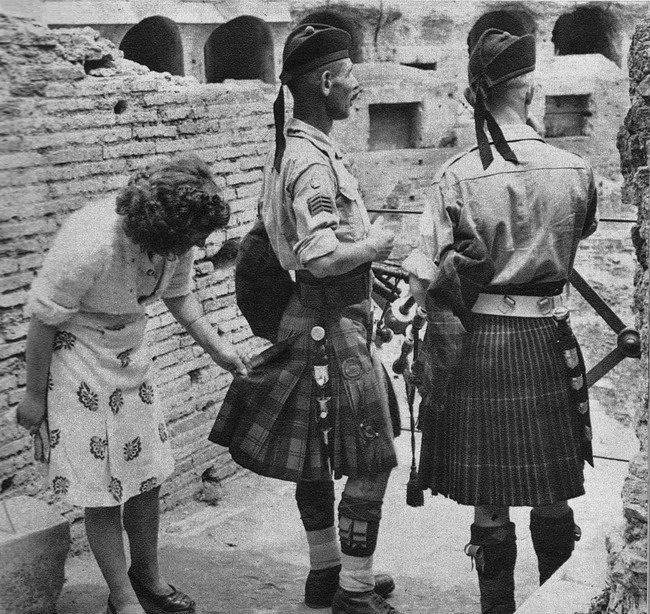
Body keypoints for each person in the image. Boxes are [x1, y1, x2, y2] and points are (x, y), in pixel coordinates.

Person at [210, 23, 401, 614]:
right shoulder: (311, 162)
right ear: (324, 80)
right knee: (373, 459)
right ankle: (353, 588)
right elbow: (319, 255)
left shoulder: (294, 150)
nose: (356, 88)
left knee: (316, 459)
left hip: (314, 321)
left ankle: (326, 571)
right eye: (349, 75)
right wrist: (376, 246)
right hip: (332, 324)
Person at [404, 29, 597, 614]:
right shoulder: (575, 169)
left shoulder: (457, 175)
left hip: (481, 343)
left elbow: (421, 277)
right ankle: (556, 603)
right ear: (529, 90)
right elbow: (581, 232)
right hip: (546, 338)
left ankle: (498, 609)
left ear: (478, 95)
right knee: (553, 492)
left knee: (489, 500)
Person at [17, 156, 247, 614]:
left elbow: (181, 297)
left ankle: (148, 576)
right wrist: (33, 397)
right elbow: (43, 321)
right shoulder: (91, 242)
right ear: (161, 232)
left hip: (130, 357)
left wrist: (218, 349)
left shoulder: (174, 245)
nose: (200, 246)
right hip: (77, 361)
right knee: (101, 488)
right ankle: (122, 596)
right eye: (194, 239)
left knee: (146, 477)